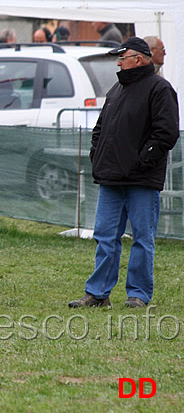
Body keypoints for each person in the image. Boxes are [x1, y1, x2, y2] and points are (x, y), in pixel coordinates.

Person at [68, 37, 179, 309]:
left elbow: (166, 133)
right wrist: (98, 156)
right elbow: (100, 129)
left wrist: (142, 162)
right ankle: (98, 294)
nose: (118, 62)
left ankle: (138, 295)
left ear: (139, 59)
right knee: (105, 237)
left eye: (123, 57)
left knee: (142, 238)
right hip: (111, 179)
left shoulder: (160, 88)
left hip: (141, 180)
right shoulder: (116, 89)